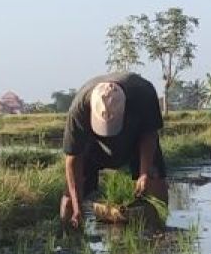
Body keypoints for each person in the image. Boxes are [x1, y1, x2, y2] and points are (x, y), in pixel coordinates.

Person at [61, 72, 169, 228]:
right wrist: (78, 208)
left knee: (155, 182)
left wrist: (144, 173)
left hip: (135, 140)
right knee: (70, 198)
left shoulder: (143, 94)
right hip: (93, 145)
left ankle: (159, 230)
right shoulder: (79, 109)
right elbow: (73, 159)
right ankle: (69, 236)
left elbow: (149, 135)